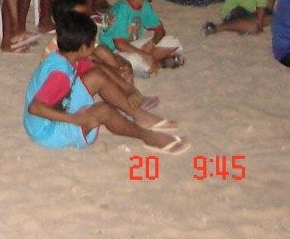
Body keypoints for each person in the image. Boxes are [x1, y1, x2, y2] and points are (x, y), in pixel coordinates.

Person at [24, 10, 187, 153]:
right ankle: (147, 136)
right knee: (104, 110)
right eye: (92, 44)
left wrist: (127, 88)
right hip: (47, 129)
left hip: (57, 107)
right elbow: (35, 108)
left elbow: (98, 68)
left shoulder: (66, 56)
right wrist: (75, 119)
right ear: (82, 48)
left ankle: (139, 115)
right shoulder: (60, 75)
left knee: (96, 75)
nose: (95, 46)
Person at [101, 0, 185, 76]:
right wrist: (144, 54)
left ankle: (149, 65)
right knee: (134, 59)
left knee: (173, 41)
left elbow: (160, 31)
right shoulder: (122, 9)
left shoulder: (145, 5)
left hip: (132, 46)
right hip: (113, 52)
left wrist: (151, 44)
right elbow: (119, 45)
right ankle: (154, 64)